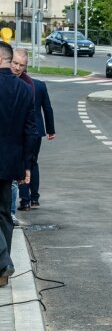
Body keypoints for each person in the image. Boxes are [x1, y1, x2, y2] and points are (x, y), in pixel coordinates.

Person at [0, 41, 36, 287]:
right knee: (4, 214)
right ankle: (2, 272)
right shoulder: (25, 90)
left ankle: (4, 264)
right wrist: (27, 165)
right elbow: (31, 131)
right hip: (11, 161)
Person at [10, 48, 55, 211]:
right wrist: (50, 129)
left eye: (20, 64)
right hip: (38, 131)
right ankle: (34, 197)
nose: (17, 67)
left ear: (24, 66)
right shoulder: (39, 85)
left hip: (26, 131)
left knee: (24, 164)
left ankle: (26, 200)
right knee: (33, 163)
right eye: (15, 63)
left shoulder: (22, 85)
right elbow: (47, 109)